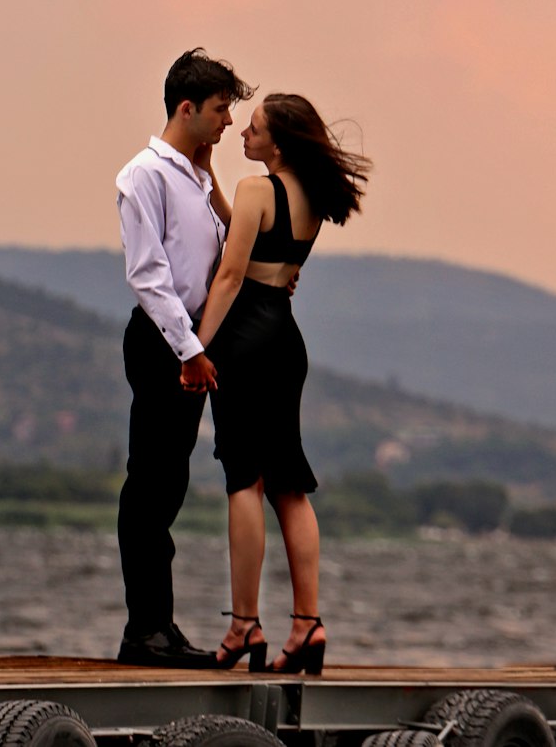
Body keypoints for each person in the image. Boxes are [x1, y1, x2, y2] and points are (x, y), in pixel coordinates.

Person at [182, 92, 371, 676]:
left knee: (244, 477)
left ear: (278, 143)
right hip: (285, 339)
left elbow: (231, 275)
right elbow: (261, 246)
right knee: (289, 483)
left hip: (244, 339)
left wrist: (195, 351)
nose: (243, 133)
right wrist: (210, 173)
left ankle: (244, 625)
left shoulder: (255, 190)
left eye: (255, 128)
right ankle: (308, 624)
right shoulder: (310, 196)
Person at [114, 47, 255, 668]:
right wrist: (191, 349)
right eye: (222, 110)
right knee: (149, 484)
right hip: (163, 343)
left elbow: (224, 249)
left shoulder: (196, 176)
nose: (228, 122)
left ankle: (158, 627)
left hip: (189, 345)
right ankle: (143, 631)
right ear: (187, 107)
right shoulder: (143, 175)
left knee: (169, 482)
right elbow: (148, 276)